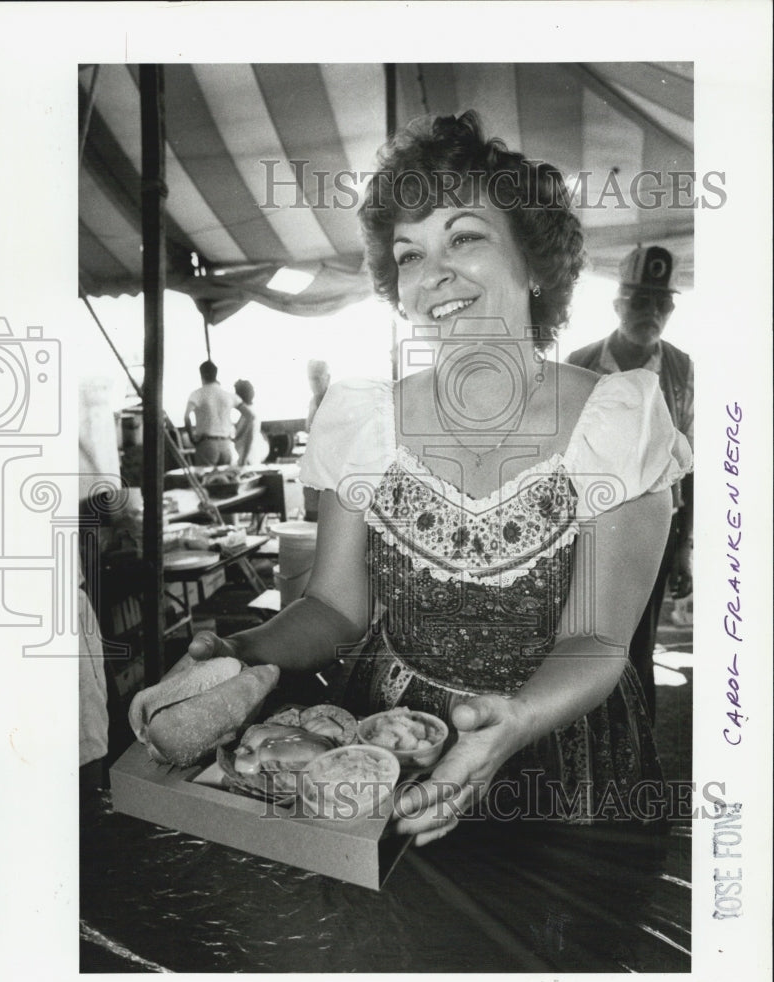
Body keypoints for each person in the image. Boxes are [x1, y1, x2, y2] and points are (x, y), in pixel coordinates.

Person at [180, 112, 691, 844]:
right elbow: (332, 606)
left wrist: (516, 719)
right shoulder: (364, 420)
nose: (434, 273)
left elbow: (595, 641)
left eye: (465, 237)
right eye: (409, 254)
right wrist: (240, 652)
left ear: (535, 261)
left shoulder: (618, 421)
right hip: (385, 737)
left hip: (556, 743)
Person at [566, 247, 694, 724]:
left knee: (641, 646)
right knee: (586, 639)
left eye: (661, 303)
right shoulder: (580, 362)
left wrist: (683, 549)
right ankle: (584, 742)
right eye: (640, 301)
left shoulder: (682, 370)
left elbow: (691, 466)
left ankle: (636, 753)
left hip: (656, 533)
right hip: (588, 530)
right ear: (617, 303)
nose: (651, 312)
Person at [183, 360, 238, 466]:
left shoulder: (197, 394)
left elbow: (186, 416)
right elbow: (250, 415)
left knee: (206, 480)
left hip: (207, 444)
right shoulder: (227, 395)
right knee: (225, 479)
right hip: (226, 444)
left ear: (201, 374)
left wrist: (192, 438)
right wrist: (237, 434)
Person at [303, 359, 331, 521]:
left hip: (330, 465)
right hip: (314, 463)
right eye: (310, 378)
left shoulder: (335, 399)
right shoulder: (313, 401)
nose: (312, 383)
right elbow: (309, 428)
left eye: (316, 378)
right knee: (311, 511)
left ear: (327, 378)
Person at [233, 378, 261, 465]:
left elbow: (250, 437)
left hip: (247, 458)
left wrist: (243, 459)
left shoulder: (249, 415)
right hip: (246, 456)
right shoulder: (249, 413)